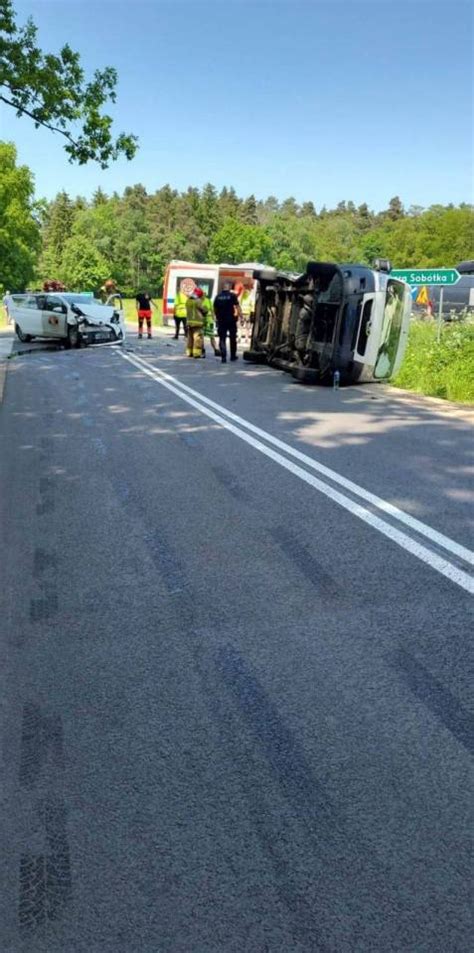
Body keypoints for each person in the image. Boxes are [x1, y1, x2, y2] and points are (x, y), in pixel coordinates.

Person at [213, 282, 242, 363]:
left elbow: (214, 309)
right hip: (231, 320)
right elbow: (237, 306)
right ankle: (233, 356)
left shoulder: (218, 297)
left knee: (222, 339)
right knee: (233, 338)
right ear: (229, 288)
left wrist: (216, 317)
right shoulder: (232, 296)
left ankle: (223, 357)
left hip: (221, 320)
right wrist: (241, 316)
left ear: (223, 287)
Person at [185, 287, 208, 358]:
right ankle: (197, 353)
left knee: (190, 338)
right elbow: (204, 310)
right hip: (197, 323)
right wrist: (205, 308)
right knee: (197, 338)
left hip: (189, 322)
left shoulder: (188, 300)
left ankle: (189, 352)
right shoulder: (198, 301)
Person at [201, 292, 220, 358]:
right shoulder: (199, 301)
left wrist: (214, 319)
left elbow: (212, 311)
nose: (203, 296)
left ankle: (216, 350)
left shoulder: (208, 301)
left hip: (209, 321)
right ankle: (202, 350)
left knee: (211, 336)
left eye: (204, 294)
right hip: (202, 321)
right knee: (202, 336)